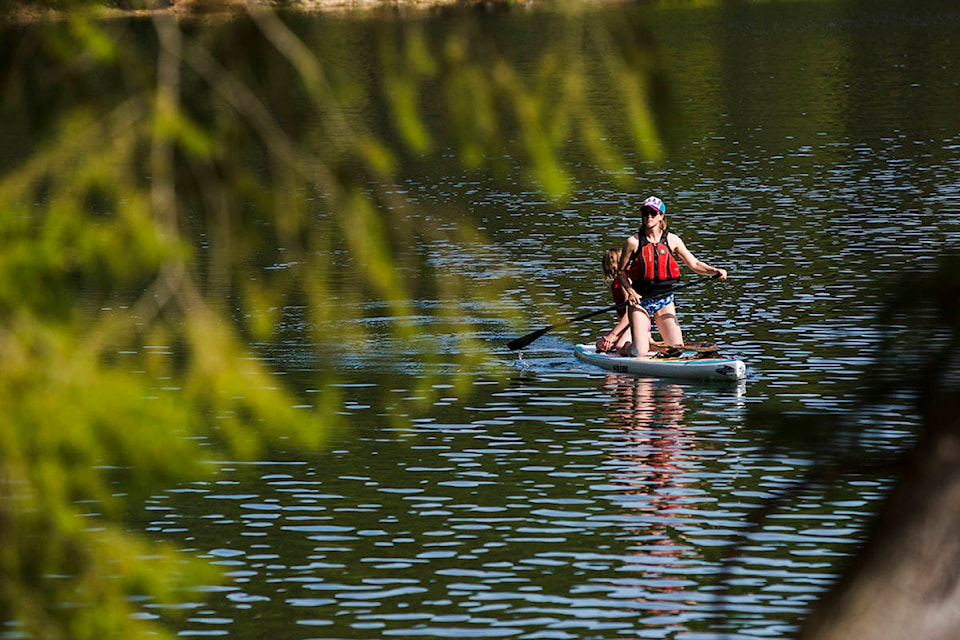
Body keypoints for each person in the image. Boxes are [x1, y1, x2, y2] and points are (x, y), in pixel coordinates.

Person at [616, 196, 727, 357]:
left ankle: (652, 346)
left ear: (661, 216)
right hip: (641, 301)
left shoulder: (672, 240)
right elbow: (621, 272)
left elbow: (694, 264)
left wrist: (714, 270)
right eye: (645, 213)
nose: (649, 216)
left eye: (653, 213)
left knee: (677, 349)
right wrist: (631, 292)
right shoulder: (633, 242)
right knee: (639, 352)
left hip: (665, 299)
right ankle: (622, 347)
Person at [595, 248, 632, 353]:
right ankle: (650, 343)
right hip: (627, 324)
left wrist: (613, 335)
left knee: (620, 347)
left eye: (610, 263)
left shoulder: (623, 282)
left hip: (634, 322)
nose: (608, 266)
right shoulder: (617, 281)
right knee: (600, 345)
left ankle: (650, 345)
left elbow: (630, 312)